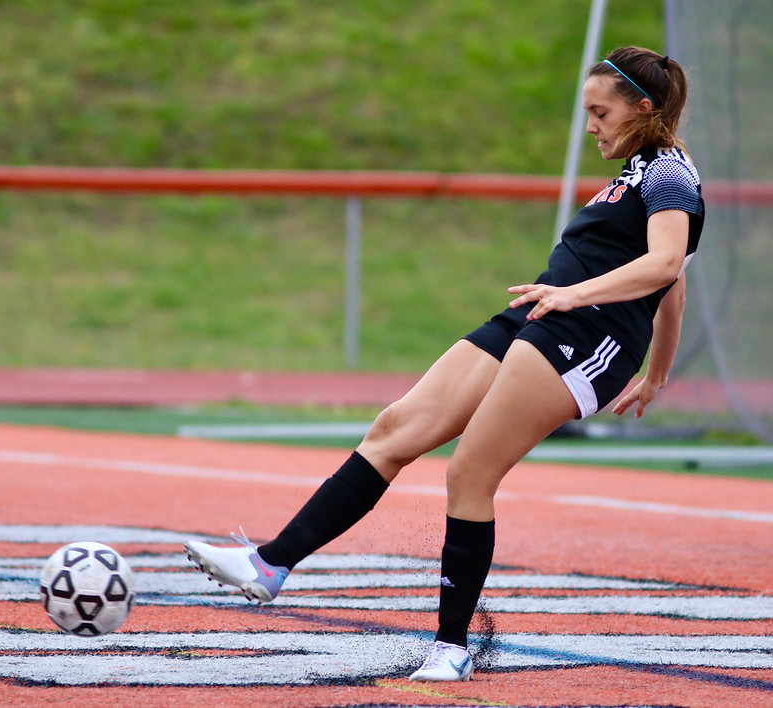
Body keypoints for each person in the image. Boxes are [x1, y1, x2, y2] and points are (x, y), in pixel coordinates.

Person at [184, 46, 704, 682]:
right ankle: (270, 564)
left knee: (469, 474)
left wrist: (637, 356)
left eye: (601, 112)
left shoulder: (671, 175)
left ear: (642, 109)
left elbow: (664, 268)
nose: (590, 125)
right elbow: (672, 283)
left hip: (589, 333)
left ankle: (451, 648)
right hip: (543, 313)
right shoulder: (636, 172)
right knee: (395, 428)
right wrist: (647, 365)